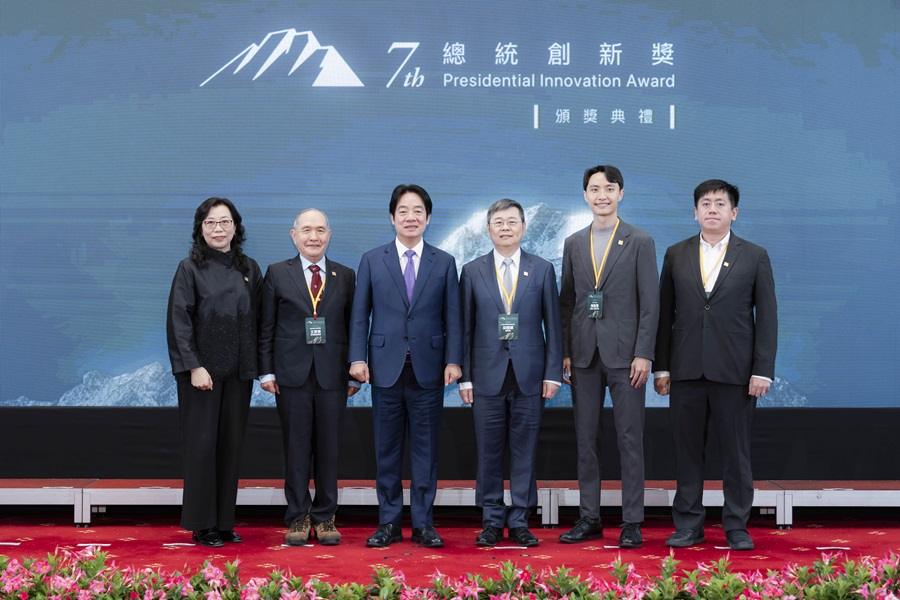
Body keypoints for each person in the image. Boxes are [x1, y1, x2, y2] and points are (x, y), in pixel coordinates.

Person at [654, 179, 777, 551]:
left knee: (736, 454)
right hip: (686, 369)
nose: (712, 209)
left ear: (733, 213)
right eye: (705, 203)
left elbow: (767, 317)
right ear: (694, 212)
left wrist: (762, 369)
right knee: (687, 452)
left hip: (735, 372)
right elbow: (665, 314)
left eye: (720, 204)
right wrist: (662, 367)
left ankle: (736, 525)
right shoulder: (676, 254)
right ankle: (688, 525)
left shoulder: (754, 256)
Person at [349, 184, 463, 548]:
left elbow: (453, 317)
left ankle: (424, 523)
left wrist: (454, 359)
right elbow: (359, 315)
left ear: (428, 218)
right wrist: (357, 357)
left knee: (426, 451)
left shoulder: (443, 262)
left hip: (429, 369)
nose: (410, 217)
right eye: (403, 211)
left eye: (418, 211)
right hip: (385, 368)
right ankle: (389, 522)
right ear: (391, 217)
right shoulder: (372, 260)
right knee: (386, 450)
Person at [558, 165, 659, 548]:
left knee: (629, 439)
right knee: (586, 439)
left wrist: (644, 353)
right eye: (595, 189)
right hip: (584, 356)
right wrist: (567, 351)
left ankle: (632, 521)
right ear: (585, 195)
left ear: (621, 194)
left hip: (626, 357)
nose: (602, 195)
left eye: (609, 188)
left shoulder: (639, 240)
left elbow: (650, 303)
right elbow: (567, 301)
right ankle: (589, 517)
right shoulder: (573, 243)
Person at [459, 199, 562, 547]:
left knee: (524, 451)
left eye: (512, 222)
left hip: (530, 375)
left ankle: (519, 519)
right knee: (488, 452)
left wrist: (552, 373)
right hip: (485, 376)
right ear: (488, 229)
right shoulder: (472, 271)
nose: (505, 228)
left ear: (523, 227)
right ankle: (491, 519)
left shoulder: (542, 269)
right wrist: (466, 377)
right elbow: (465, 328)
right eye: (499, 222)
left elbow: (553, 326)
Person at [258, 209, 357, 546]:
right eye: (306, 230)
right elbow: (266, 326)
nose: (313, 237)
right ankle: (298, 516)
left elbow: (354, 326)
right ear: (293, 235)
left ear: (329, 234)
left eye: (320, 230)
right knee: (296, 448)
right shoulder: (276, 273)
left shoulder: (345, 275)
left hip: (334, 375)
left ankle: (326, 516)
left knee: (329, 449)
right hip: (291, 375)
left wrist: (355, 371)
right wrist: (266, 370)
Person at [166, 197, 261, 547]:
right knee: (202, 448)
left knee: (230, 448)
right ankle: (202, 524)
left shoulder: (249, 268)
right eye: (210, 223)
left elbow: (259, 319)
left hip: (238, 373)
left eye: (224, 222)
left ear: (236, 227)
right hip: (202, 375)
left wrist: (257, 368)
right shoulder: (189, 268)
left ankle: (223, 522)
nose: (218, 229)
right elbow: (179, 321)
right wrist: (194, 366)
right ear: (200, 229)